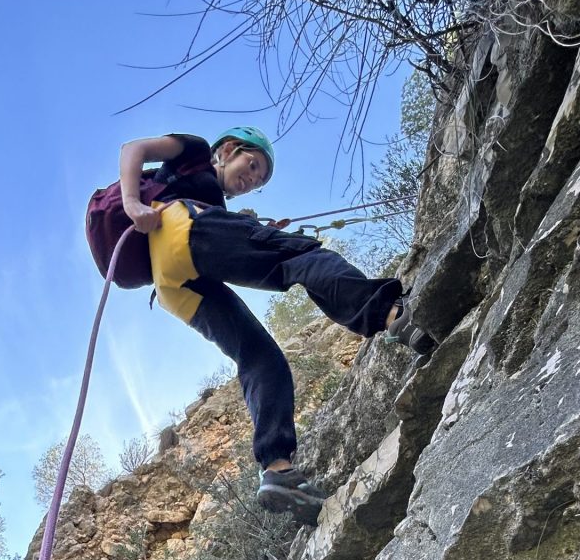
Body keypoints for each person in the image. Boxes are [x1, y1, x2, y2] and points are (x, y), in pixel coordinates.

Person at [90, 128, 435, 525]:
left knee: (260, 357)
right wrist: (132, 203)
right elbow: (132, 148)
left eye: (259, 179)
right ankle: (392, 314)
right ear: (227, 150)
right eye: (252, 165)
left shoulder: (210, 199)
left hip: (174, 284)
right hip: (182, 229)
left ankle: (278, 469)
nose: (252, 179)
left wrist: (246, 223)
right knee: (302, 256)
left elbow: (228, 236)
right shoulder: (195, 151)